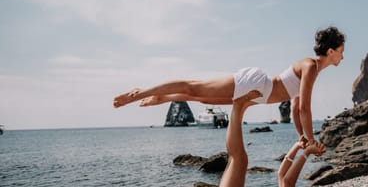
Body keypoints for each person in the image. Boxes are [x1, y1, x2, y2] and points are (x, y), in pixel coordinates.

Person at [113, 26, 346, 146]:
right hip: (257, 84)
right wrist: (311, 139)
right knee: (195, 86)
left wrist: (301, 137)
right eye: (341, 52)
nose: (343, 58)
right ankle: (140, 92)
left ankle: (165, 98)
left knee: (203, 99)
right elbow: (305, 108)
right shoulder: (310, 66)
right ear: (331, 51)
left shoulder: (312, 68)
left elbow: (295, 109)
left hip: (259, 96)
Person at [211, 91, 339, 187]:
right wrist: (296, 147)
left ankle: (238, 106)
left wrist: (307, 153)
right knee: (237, 159)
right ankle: (239, 108)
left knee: (239, 159)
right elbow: (282, 174)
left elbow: (289, 182)